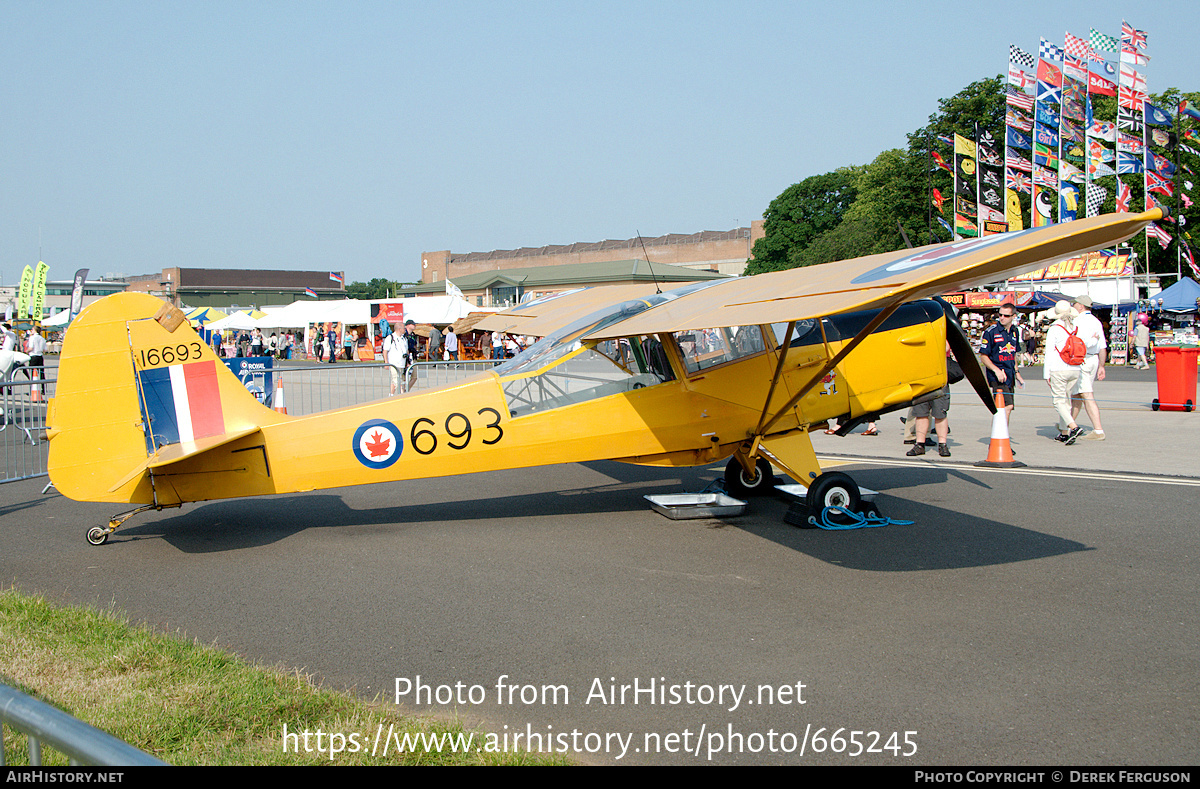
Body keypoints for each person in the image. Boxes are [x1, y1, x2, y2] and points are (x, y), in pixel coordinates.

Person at [1041, 300, 1085, 445]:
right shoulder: (1075, 327)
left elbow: (1049, 353)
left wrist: (1046, 374)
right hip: (1074, 368)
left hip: (1059, 368)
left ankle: (1073, 427)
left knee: (1058, 401)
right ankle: (1064, 432)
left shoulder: (1054, 329)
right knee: (1066, 401)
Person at [980, 304, 1025, 429]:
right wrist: (996, 370)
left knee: (1006, 408)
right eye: (1000, 315)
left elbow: (1013, 353)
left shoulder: (1015, 331)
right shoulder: (991, 332)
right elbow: (983, 356)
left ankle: (1001, 437)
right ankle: (1000, 437)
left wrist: (1017, 373)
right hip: (998, 376)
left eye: (1006, 315)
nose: (1002, 318)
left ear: (1013, 316)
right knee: (1006, 407)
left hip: (1010, 373)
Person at [907, 343, 954, 457]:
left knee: (940, 413)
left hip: (938, 375)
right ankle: (920, 444)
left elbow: (946, 347)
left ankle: (942, 444)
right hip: (920, 375)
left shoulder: (940, 329)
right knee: (921, 413)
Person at [1070, 295, 1106, 441]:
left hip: (1082, 359)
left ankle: (1098, 430)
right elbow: (1102, 346)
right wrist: (1101, 366)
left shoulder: (1077, 321)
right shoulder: (1096, 321)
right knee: (1077, 393)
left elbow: (1078, 343)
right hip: (1094, 359)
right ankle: (1068, 424)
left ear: (1080, 306)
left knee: (1086, 394)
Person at [382, 323, 408, 395]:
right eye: (404, 328)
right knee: (397, 380)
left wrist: (408, 361)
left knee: (397, 380)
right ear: (399, 329)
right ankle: (403, 395)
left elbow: (406, 350)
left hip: (402, 363)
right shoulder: (390, 338)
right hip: (393, 363)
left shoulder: (404, 338)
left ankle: (391, 394)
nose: (405, 330)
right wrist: (386, 362)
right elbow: (385, 351)